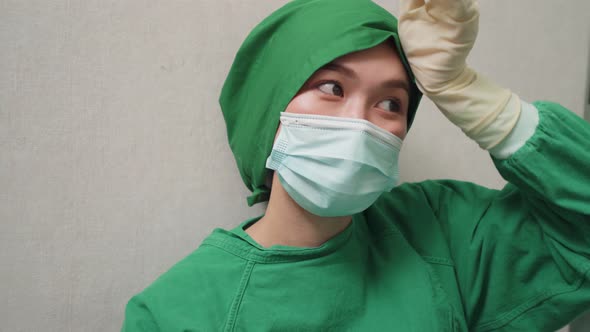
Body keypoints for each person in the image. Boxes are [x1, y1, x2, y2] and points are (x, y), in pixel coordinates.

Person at [122, 0, 590, 331]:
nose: (360, 123)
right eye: (332, 89)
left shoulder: (438, 232)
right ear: (269, 107)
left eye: (390, 102)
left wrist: (472, 96)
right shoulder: (178, 313)